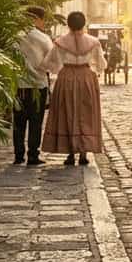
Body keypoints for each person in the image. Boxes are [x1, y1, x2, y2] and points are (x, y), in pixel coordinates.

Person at [41, 11, 106, 166]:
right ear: (84, 24)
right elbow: (101, 64)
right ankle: (83, 153)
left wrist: (58, 70)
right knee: (86, 113)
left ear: (68, 24)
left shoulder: (60, 42)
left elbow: (49, 63)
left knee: (67, 112)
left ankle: (70, 153)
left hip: (67, 78)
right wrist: (93, 70)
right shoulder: (93, 42)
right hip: (86, 78)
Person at [13, 7, 53, 166]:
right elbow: (51, 62)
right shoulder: (43, 38)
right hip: (38, 85)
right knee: (36, 122)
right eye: (43, 20)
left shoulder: (14, 37)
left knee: (19, 122)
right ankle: (33, 155)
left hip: (19, 86)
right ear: (38, 19)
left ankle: (18, 155)